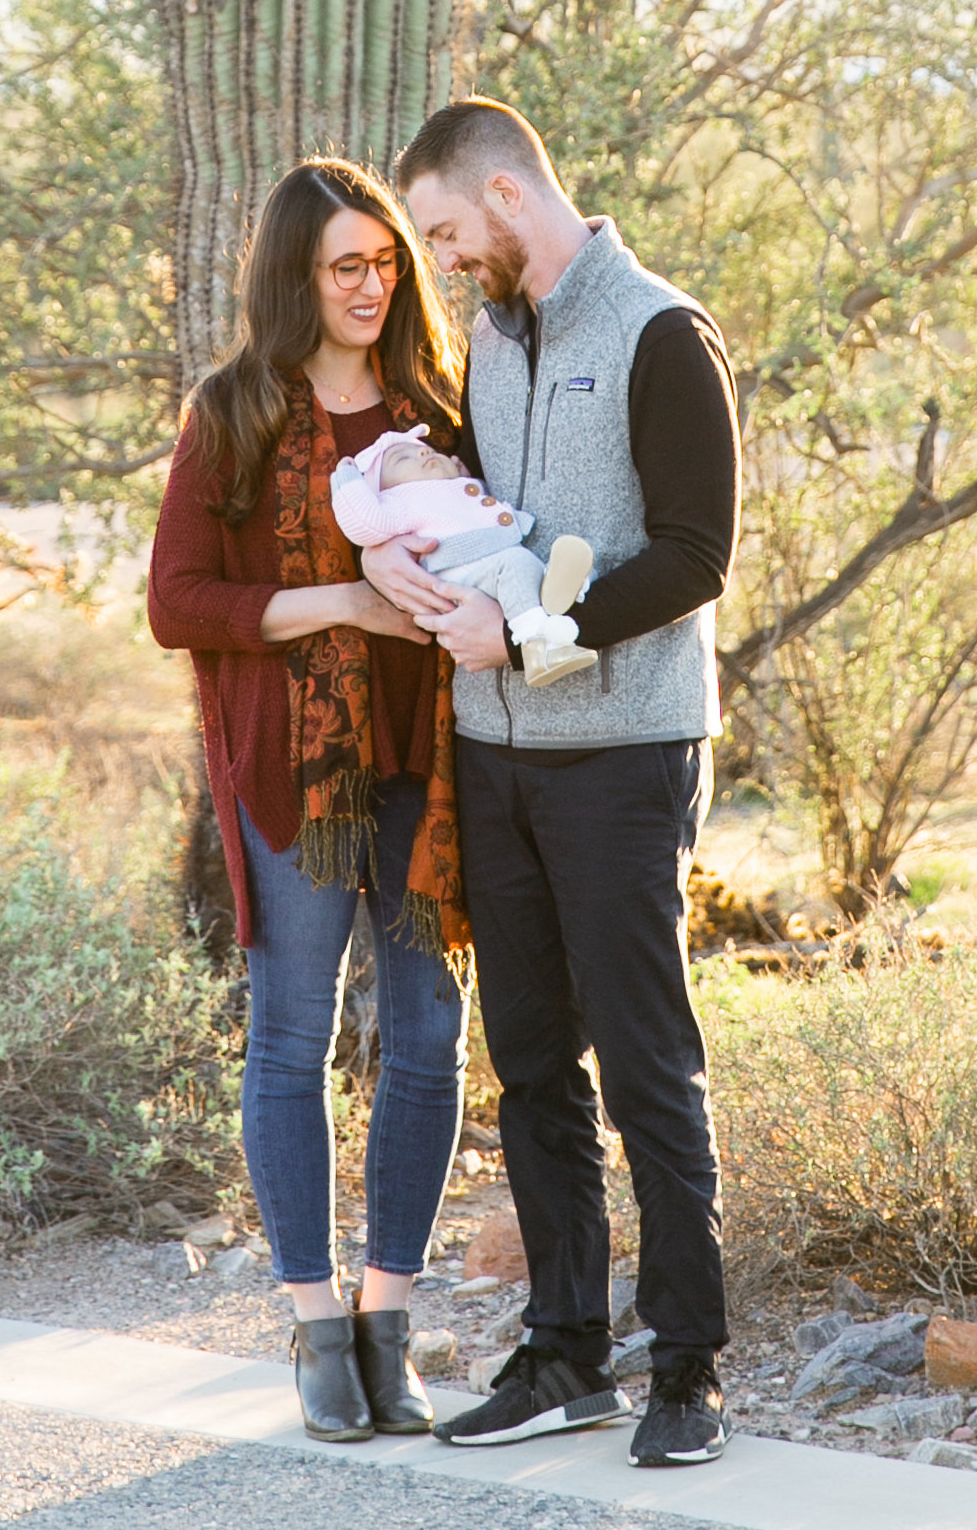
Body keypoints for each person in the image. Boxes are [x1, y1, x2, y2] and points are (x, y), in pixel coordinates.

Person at [376, 97, 740, 1473]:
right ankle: (567, 1351)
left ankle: (688, 1366)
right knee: (530, 1059)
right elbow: (506, 523)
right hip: (498, 758)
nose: (448, 259)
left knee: (647, 1059)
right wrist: (421, 543)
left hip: (624, 755)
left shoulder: (659, 330)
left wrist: (535, 635)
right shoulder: (492, 339)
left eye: (451, 231)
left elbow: (697, 552)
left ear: (510, 199)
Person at [146, 158, 472, 1445]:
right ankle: (312, 1322)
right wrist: (343, 601)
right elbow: (177, 602)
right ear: (297, 276)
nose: (373, 283)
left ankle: (387, 1317)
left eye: (386, 260)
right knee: (291, 1039)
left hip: (431, 764)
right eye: (347, 264)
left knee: (429, 1033)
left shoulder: (436, 405)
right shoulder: (231, 413)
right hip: (295, 771)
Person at [329, 426, 598, 685]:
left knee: (536, 568)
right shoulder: (398, 503)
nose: (422, 453)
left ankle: (564, 591)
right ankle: (537, 646)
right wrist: (346, 479)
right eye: (402, 458)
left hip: (485, 560)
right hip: (455, 569)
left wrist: (461, 473)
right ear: (381, 490)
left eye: (424, 449)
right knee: (516, 565)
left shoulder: (455, 486)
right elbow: (363, 521)